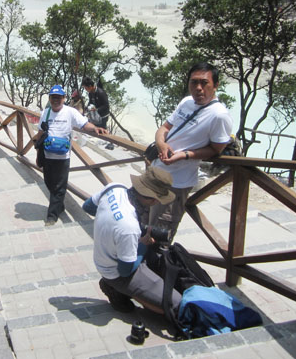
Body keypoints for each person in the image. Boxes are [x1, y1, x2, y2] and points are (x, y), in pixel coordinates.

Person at [149, 62, 232, 241]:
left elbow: (216, 149)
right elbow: (164, 127)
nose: (198, 88)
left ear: (216, 85)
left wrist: (184, 155)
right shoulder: (186, 102)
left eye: (204, 83)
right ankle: (138, 266)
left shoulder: (219, 115)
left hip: (176, 183)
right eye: (194, 82)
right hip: (155, 174)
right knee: (142, 223)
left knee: (160, 234)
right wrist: (161, 144)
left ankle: (155, 268)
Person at [82, 167, 182, 314]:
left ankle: (122, 286)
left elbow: (87, 207)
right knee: (175, 305)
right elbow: (124, 271)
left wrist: (108, 222)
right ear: (153, 199)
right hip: (114, 272)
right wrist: (142, 245)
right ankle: (113, 287)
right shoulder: (129, 227)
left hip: (103, 257)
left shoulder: (115, 187)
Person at [36, 85, 108, 226]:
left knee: (59, 187)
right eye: (53, 97)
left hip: (63, 157)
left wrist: (95, 128)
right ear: (50, 99)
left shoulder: (71, 112)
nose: (56, 100)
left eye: (58, 97)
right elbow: (39, 133)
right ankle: (59, 206)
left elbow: (84, 124)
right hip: (47, 154)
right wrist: (38, 153)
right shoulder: (46, 112)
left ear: (64, 98)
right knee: (49, 183)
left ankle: (52, 216)